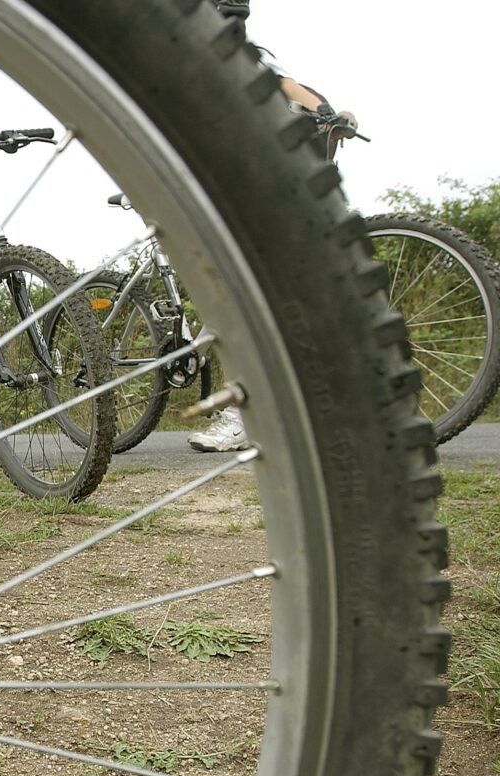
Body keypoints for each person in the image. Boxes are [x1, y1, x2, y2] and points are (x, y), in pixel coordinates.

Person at [188, 0, 358, 453]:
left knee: (250, 298)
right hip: (216, 182)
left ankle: (254, 408)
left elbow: (291, 86)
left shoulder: (251, 53)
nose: (230, 24)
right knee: (228, 295)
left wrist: (330, 113)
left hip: (259, 185)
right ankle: (241, 404)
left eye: (235, 16)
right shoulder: (184, 52)